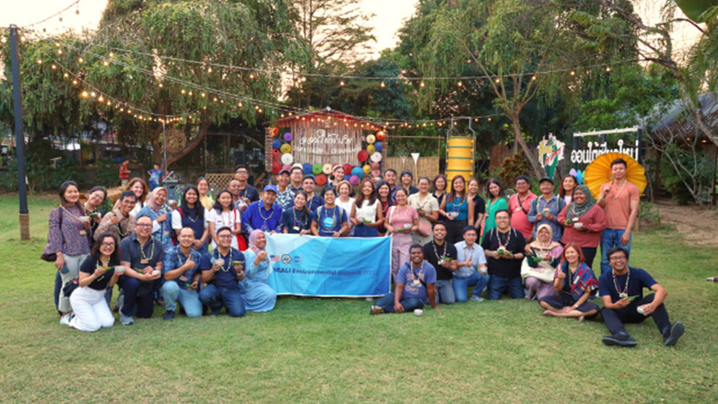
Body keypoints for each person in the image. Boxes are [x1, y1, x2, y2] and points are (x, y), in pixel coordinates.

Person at [599, 247, 685, 347]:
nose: (618, 260)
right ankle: (621, 335)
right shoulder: (604, 278)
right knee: (605, 310)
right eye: (614, 258)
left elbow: (662, 291)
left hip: (638, 311)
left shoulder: (638, 273)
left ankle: (667, 332)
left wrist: (653, 305)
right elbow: (607, 303)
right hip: (618, 313)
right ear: (609, 262)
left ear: (627, 259)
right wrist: (616, 305)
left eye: (622, 257)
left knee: (654, 297)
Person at [45, 181, 92, 324]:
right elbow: (54, 235)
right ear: (63, 194)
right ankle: (64, 314)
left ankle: (79, 311)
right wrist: (59, 255)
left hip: (84, 251)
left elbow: (86, 234)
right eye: (70, 192)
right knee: (68, 284)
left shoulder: (81, 210)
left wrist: (88, 226)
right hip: (68, 253)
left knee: (83, 283)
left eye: (76, 191)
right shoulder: (57, 212)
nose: (73, 194)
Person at [69, 233, 123, 332]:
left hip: (99, 297)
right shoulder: (90, 261)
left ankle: (89, 315)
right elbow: (81, 283)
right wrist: (94, 275)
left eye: (111, 244)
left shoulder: (115, 261)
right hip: (82, 297)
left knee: (108, 323)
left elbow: (110, 284)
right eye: (105, 244)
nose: (108, 247)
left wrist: (116, 274)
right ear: (98, 246)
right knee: (93, 327)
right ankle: (73, 319)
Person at [117, 215, 164, 325]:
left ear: (152, 228)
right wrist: (142, 276)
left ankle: (133, 299)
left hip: (147, 280)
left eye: (148, 225)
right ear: (135, 227)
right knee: (133, 283)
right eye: (141, 224)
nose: (145, 227)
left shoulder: (157, 244)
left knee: (145, 314)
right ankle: (126, 313)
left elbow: (159, 266)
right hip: (129, 277)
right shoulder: (126, 243)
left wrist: (153, 270)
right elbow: (125, 268)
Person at [370, 244, 441, 315]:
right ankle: (391, 306)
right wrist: (396, 302)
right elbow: (399, 287)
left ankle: (384, 310)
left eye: (419, 253)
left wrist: (433, 306)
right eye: (413, 253)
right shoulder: (404, 268)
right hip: (403, 295)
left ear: (423, 254)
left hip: (417, 299)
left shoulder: (430, 268)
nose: (416, 255)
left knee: (414, 304)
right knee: (378, 303)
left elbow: (430, 288)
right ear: (410, 255)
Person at [598, 158, 640, 276]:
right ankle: (606, 287)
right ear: (611, 171)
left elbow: (634, 210)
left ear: (625, 170)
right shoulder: (605, 186)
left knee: (623, 260)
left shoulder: (632, 187)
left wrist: (627, 231)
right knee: (605, 260)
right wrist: (604, 195)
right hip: (606, 229)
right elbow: (599, 207)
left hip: (622, 229)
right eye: (615, 169)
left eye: (621, 168)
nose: (618, 171)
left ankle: (623, 287)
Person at [539, 243, 600, 321]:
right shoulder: (561, 267)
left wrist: (573, 307)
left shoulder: (586, 270)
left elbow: (587, 293)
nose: (570, 255)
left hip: (578, 301)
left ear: (578, 254)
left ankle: (557, 314)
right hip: (563, 298)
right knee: (543, 301)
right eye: (567, 253)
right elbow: (557, 289)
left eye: (572, 252)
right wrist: (560, 279)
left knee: (595, 309)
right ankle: (576, 314)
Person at [199, 226, 247, 317]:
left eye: (229, 236)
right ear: (217, 238)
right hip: (215, 287)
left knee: (238, 313)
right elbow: (204, 279)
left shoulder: (238, 255)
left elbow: (241, 278)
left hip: (231, 288)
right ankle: (217, 306)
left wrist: (239, 272)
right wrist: (212, 270)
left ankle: (228, 303)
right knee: (204, 296)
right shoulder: (208, 255)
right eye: (223, 236)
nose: (226, 239)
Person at [558, 185, 607, 269]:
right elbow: (560, 216)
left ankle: (585, 282)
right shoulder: (570, 206)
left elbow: (602, 224)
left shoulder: (596, 209)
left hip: (586, 245)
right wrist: (565, 221)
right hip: (568, 243)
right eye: (576, 194)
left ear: (587, 195)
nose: (578, 196)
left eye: (581, 193)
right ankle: (568, 282)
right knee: (567, 267)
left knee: (584, 268)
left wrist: (587, 227)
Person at [482, 210, 526, 300]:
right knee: (494, 298)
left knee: (519, 297)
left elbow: (523, 253)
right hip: (495, 274)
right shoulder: (490, 234)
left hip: (513, 274)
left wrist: (512, 256)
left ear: (510, 219)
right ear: (495, 220)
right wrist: (492, 253)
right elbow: (483, 250)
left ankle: (507, 288)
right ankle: (499, 287)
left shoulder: (517, 234)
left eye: (505, 217)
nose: (502, 220)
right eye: (499, 218)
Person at [160, 227, 203, 319]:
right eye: (183, 236)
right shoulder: (170, 253)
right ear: (178, 237)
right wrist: (185, 267)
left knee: (195, 314)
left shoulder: (197, 255)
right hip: (171, 286)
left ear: (194, 239)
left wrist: (195, 281)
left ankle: (183, 305)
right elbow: (167, 276)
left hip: (187, 288)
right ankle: (170, 309)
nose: (186, 239)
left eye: (189, 236)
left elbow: (198, 271)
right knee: (170, 286)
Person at [385, 188, 419, 281]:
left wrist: (410, 229)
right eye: (398, 196)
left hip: (406, 240)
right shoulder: (391, 209)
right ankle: (397, 288)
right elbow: (386, 223)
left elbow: (416, 225)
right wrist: (389, 227)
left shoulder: (412, 210)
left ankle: (405, 287)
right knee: (395, 267)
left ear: (406, 196)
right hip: (393, 239)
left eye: (402, 195)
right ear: (395, 197)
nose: (400, 198)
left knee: (404, 266)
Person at [240, 230, 277, 312]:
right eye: (258, 238)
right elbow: (249, 274)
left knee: (272, 293)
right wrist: (257, 260)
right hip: (250, 284)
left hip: (261, 282)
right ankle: (244, 303)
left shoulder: (262, 251)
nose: (262, 240)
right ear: (253, 240)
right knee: (270, 295)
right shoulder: (250, 253)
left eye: (263, 237)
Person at [523, 224, 563, 301]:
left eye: (546, 232)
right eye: (541, 232)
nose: (543, 234)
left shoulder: (557, 247)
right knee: (531, 282)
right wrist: (531, 254)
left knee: (542, 298)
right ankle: (532, 294)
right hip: (535, 273)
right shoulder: (532, 246)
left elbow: (560, 265)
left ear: (551, 234)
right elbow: (532, 265)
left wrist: (551, 260)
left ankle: (544, 292)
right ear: (537, 233)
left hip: (550, 277)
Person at [422, 222, 458, 304]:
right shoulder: (426, 247)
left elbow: (454, 267)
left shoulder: (451, 247)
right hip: (432, 281)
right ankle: (436, 294)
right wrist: (429, 284)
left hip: (446, 280)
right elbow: (424, 268)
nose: (439, 232)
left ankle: (442, 293)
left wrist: (448, 267)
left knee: (450, 301)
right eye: (437, 230)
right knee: (432, 302)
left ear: (446, 232)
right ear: (433, 232)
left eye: (442, 230)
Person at [453, 226, 490, 302]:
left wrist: (484, 270)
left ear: (476, 236)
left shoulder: (479, 248)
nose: (471, 237)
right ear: (464, 236)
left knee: (485, 276)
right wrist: (464, 264)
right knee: (461, 299)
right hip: (459, 277)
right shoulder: (456, 247)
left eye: (473, 235)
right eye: (468, 235)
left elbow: (482, 264)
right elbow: (451, 265)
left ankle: (475, 295)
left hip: (472, 276)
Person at [527, 177, 566, 243]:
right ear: (540, 187)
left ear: (553, 187)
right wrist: (536, 218)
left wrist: (554, 218)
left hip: (554, 237)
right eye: (543, 184)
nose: (545, 186)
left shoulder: (560, 201)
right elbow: (529, 217)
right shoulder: (535, 202)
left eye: (548, 184)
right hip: (539, 237)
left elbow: (565, 219)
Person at [171, 185, 209, 253]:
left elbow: (206, 229)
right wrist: (193, 241)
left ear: (197, 196)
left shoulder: (204, 210)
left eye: (194, 194)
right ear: (185, 195)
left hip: (201, 246)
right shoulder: (178, 212)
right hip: (184, 246)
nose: (192, 196)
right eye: (189, 194)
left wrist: (201, 242)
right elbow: (178, 231)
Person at [438, 175, 474, 244]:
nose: (458, 185)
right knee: (448, 246)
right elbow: (440, 209)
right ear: (452, 185)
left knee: (460, 247)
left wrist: (470, 231)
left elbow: (470, 218)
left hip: (462, 225)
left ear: (464, 184)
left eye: (460, 182)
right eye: (456, 183)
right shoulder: (447, 196)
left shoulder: (469, 199)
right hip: (448, 224)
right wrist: (445, 214)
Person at [138, 187, 174, 253]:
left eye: (164, 196)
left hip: (168, 247)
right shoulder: (144, 211)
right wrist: (158, 221)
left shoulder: (166, 209)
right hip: (150, 247)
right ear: (153, 195)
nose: (161, 197)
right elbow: (139, 230)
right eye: (159, 194)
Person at [408, 177, 439, 245]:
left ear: (429, 185)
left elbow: (435, 218)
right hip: (413, 229)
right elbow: (406, 213)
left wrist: (425, 214)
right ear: (418, 185)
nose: (423, 186)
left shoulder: (433, 200)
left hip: (426, 231)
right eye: (421, 184)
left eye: (426, 184)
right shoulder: (411, 197)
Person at [508, 175, 537, 241]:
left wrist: (532, 234)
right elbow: (509, 215)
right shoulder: (512, 198)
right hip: (513, 235)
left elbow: (537, 218)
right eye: (518, 184)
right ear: (515, 187)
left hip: (528, 236)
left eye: (523, 183)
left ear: (528, 185)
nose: (521, 185)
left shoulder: (534, 198)